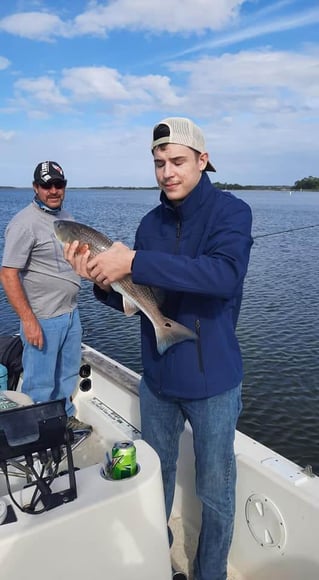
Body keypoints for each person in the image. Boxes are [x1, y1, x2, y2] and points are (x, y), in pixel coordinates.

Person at [63, 118, 253, 579]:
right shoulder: (150, 223)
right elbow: (140, 296)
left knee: (215, 491)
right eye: (159, 163)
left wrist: (134, 260)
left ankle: (211, 573)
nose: (167, 172)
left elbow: (223, 276)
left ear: (202, 161)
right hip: (159, 380)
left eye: (178, 161)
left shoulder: (232, 212)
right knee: (155, 479)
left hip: (213, 383)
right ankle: (157, 560)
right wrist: (101, 282)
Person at [0, 160, 91, 432]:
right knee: (40, 384)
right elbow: (7, 274)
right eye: (46, 185)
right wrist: (28, 321)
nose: (53, 190)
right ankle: (36, 435)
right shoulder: (24, 223)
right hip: (42, 318)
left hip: (71, 314)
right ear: (35, 187)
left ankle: (64, 420)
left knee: (67, 376)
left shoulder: (67, 220)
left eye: (58, 184)